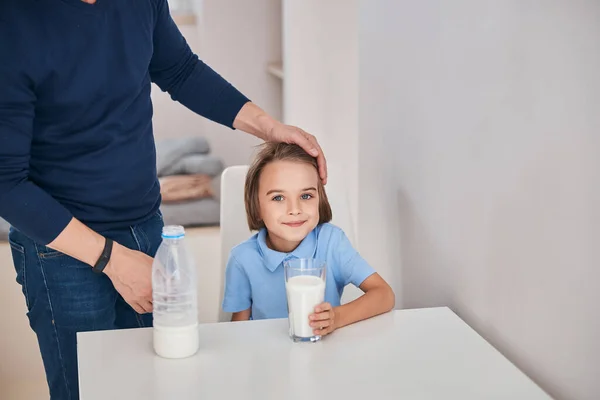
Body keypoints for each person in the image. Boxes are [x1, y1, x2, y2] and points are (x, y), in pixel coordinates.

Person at [0, 1, 327, 399]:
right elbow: (6, 184)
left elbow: (179, 68)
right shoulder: (13, 20)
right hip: (61, 248)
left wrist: (270, 127)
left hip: (145, 225)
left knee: (155, 385)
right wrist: (113, 261)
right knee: (86, 391)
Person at [222, 143, 395, 335]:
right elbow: (237, 329)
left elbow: (384, 294)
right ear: (257, 206)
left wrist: (337, 318)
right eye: (278, 198)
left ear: (319, 199)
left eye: (306, 195)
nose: (294, 209)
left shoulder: (332, 242)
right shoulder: (242, 259)